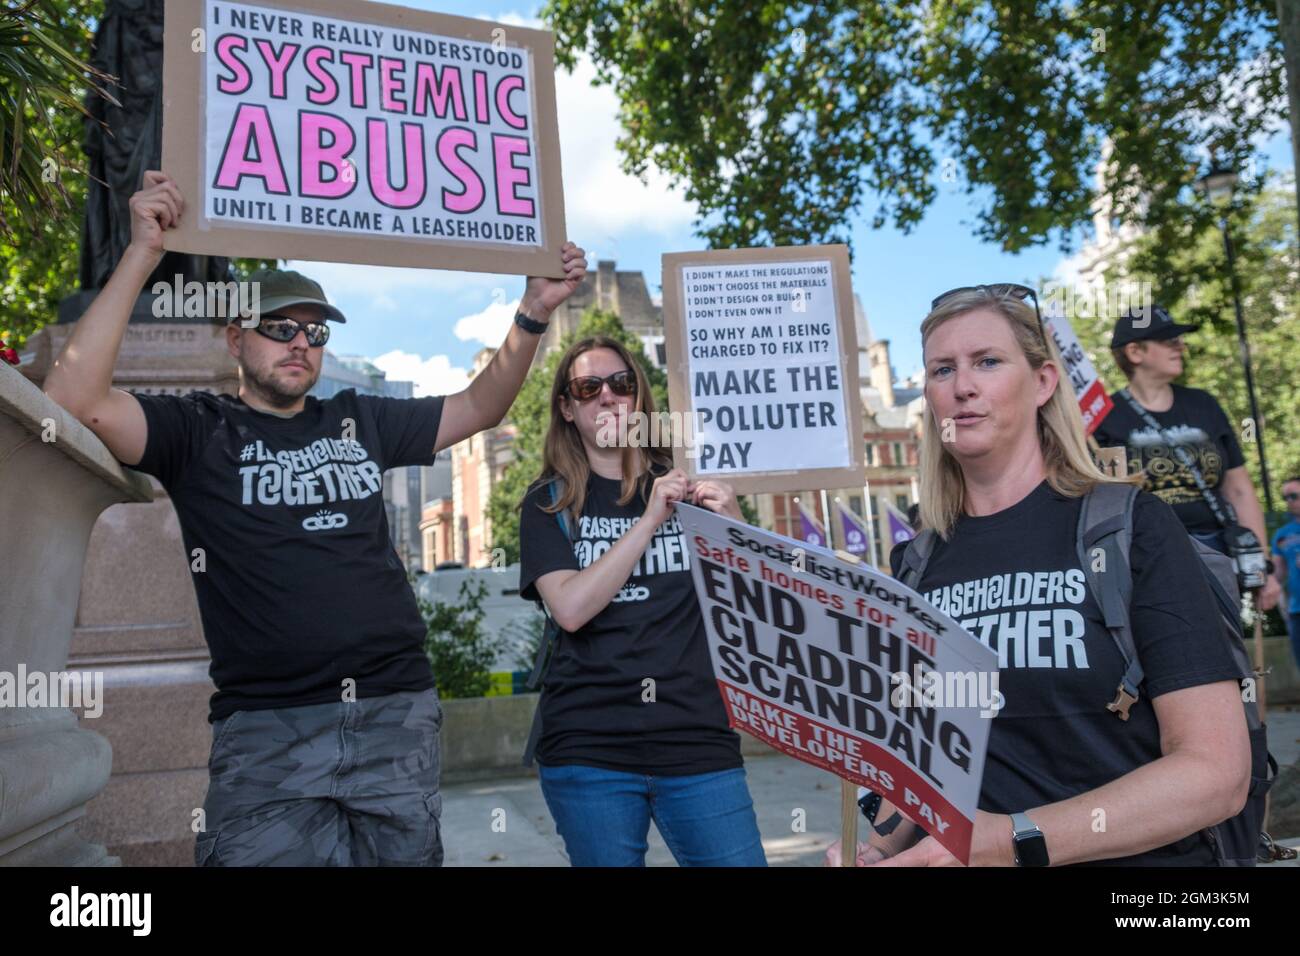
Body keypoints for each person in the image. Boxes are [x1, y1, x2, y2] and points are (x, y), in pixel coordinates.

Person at [43, 170, 588, 866]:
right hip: (268, 730)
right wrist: (143, 252)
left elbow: (480, 407)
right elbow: (73, 398)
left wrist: (533, 311)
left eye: (314, 332)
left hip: (395, 713)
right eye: (279, 328)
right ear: (235, 340)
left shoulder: (360, 418)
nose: (300, 342)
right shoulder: (197, 430)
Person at [827, 285, 1249, 866]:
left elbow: (1216, 774)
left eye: (988, 361)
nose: (963, 386)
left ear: (1044, 382)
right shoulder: (918, 564)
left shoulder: (1131, 528)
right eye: (942, 369)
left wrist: (1010, 841)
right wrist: (878, 847)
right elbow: (929, 768)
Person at [517, 335, 766, 867]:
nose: (607, 397)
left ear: (638, 399)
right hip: (589, 750)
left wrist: (735, 524)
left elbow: (752, 607)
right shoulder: (547, 503)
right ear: (566, 406)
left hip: (698, 740)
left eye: (620, 384)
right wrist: (650, 519)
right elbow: (570, 608)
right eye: (588, 387)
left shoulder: (691, 489)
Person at [1092, 304, 1281, 612]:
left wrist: (1261, 566)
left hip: (1217, 550)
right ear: (1135, 352)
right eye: (1168, 341)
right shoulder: (1105, 418)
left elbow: (1239, 489)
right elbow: (1103, 501)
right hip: (1149, 556)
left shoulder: (1204, 404)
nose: (1180, 346)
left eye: (1179, 339)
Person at [1272, 475, 1300, 668]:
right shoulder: (1282, 534)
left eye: (1294, 495)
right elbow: (1278, 573)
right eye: (1286, 497)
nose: (1289, 501)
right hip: (1296, 609)